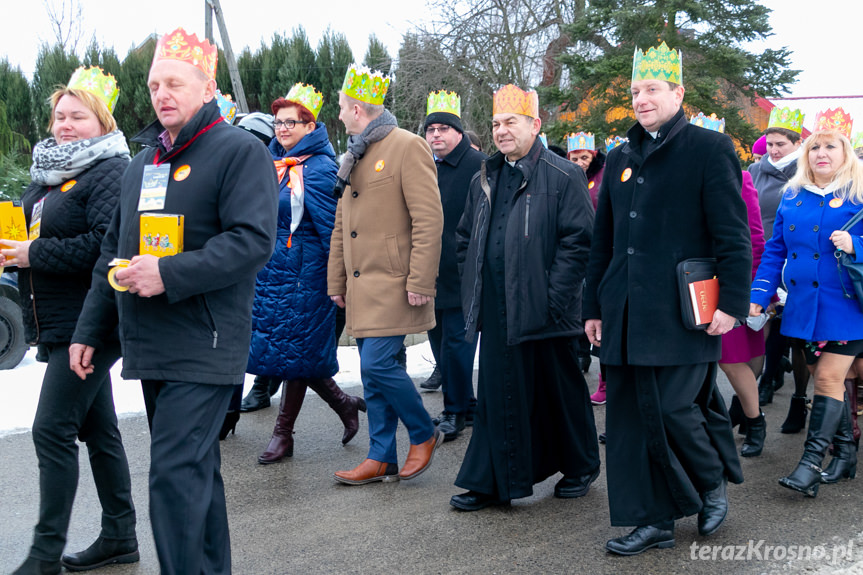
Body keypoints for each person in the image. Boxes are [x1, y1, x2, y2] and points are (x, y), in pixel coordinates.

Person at [69, 28, 278, 574]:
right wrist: (91, 330)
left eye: (175, 84)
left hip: (206, 343)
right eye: (155, 84)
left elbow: (252, 241)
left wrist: (169, 273)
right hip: (152, 343)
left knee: (173, 477)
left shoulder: (239, 151)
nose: (162, 94)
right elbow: (111, 255)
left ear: (207, 87)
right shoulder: (144, 164)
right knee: (194, 474)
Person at [583, 42, 751, 555]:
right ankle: (651, 521)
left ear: (678, 92)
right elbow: (603, 240)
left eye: (652, 89)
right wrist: (592, 307)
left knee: (676, 407)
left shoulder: (709, 149)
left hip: (685, 309)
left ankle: (710, 482)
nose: (642, 98)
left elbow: (733, 236)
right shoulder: (621, 157)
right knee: (631, 420)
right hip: (625, 311)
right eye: (635, 91)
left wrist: (733, 305)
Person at [3, 67, 138, 575]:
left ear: (100, 120)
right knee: (97, 428)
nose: (65, 124)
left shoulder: (110, 170)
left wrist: (34, 254)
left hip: (93, 319)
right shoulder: (53, 174)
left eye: (77, 116)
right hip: (62, 318)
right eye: (60, 115)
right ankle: (120, 536)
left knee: (51, 429)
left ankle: (44, 556)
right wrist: (19, 250)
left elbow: (105, 247)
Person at [451, 84, 600, 512]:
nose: (501, 131)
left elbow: (579, 243)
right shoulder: (486, 175)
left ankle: (580, 465)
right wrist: (472, 280)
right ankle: (492, 481)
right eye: (496, 124)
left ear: (535, 125)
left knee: (560, 393)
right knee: (499, 394)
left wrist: (554, 297)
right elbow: (466, 237)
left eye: (510, 122)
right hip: (497, 309)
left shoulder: (563, 175)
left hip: (547, 310)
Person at [328, 64, 444, 485]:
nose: (339, 114)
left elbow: (429, 220)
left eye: (342, 108)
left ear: (357, 109)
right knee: (372, 370)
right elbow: (343, 226)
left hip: (395, 283)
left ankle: (423, 430)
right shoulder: (354, 155)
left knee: (377, 366)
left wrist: (420, 281)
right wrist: (336, 282)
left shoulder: (406, 146)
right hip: (362, 286)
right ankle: (381, 456)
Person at [248, 83, 366, 463]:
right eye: (278, 123)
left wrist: (337, 279)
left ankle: (283, 434)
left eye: (291, 123)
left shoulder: (319, 168)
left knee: (297, 351)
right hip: (272, 273)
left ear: (309, 126)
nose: (282, 129)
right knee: (286, 351)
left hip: (306, 275)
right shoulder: (272, 164)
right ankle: (344, 404)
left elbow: (333, 228)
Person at [750, 125, 863, 496]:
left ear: (845, 153)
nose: (821, 153)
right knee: (820, 376)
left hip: (848, 307)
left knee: (829, 379)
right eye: (815, 148)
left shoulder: (858, 194)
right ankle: (845, 453)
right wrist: (762, 291)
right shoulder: (792, 196)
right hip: (802, 307)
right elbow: (775, 251)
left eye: (830, 146)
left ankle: (810, 464)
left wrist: (856, 244)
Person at [422, 90, 485, 440]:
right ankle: (468, 405)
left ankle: (455, 411)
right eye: (431, 130)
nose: (436, 136)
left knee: (457, 347)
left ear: (459, 132)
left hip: (464, 272)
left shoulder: (480, 165)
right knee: (437, 344)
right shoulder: (427, 164)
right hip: (432, 272)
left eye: (444, 129)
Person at [749, 107, 805, 410]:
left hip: (787, 251)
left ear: (797, 143)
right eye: (769, 144)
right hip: (758, 250)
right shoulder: (756, 169)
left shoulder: (804, 170)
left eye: (780, 144)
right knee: (761, 317)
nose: (773, 150)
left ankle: (772, 375)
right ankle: (764, 376)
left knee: (781, 319)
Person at [566, 131, 607, 396]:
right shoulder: (568, 177)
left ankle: (605, 379)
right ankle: (581, 355)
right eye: (575, 157)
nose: (581, 162)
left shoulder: (602, 179)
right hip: (576, 252)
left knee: (601, 314)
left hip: (599, 253)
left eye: (585, 157)